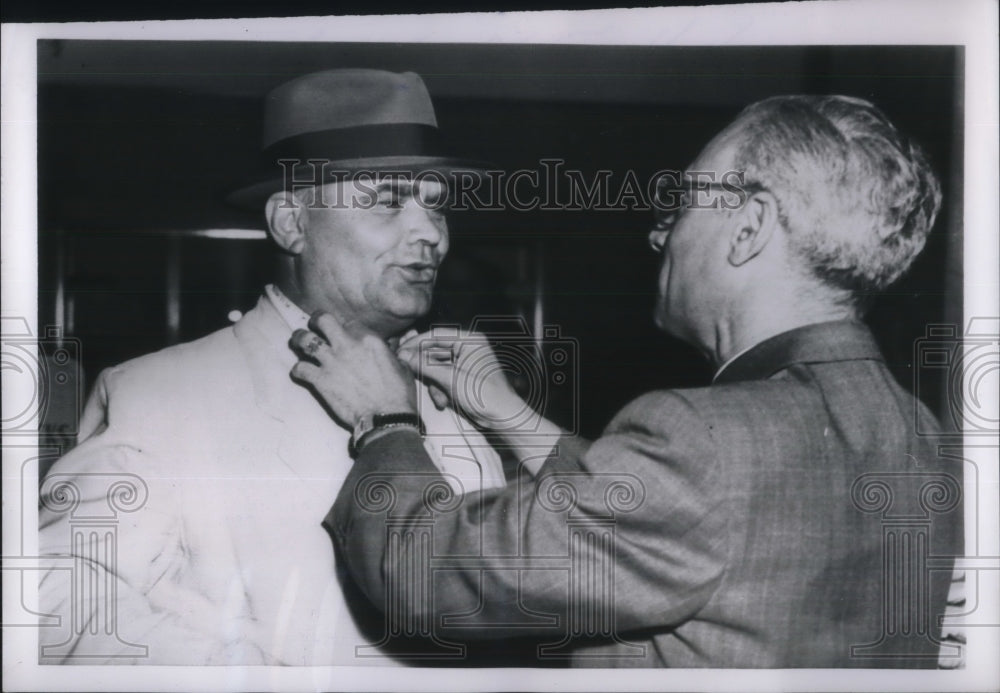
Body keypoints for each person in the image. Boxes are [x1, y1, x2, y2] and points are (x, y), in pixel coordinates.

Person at [294, 95, 963, 667]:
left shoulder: (701, 438)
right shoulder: (917, 430)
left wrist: (386, 422)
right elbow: (682, 527)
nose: (659, 236)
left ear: (750, 227)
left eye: (683, 202)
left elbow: (424, 573)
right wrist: (510, 415)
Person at [37, 69, 505, 665]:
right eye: (388, 202)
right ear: (291, 223)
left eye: (435, 205)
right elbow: (53, 604)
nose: (431, 233)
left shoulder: (455, 390)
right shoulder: (160, 395)